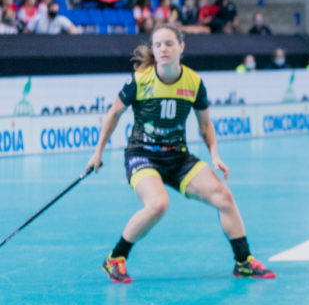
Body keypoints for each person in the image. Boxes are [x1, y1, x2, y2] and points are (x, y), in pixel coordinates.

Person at [86, 24, 275, 283]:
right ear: (153, 50)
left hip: (178, 157)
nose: (163, 49)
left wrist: (215, 155)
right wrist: (97, 153)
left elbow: (205, 125)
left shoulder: (194, 82)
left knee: (224, 197)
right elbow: (114, 113)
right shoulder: (140, 81)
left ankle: (243, 261)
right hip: (142, 155)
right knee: (158, 204)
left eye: (169, 43)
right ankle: (115, 258)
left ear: (181, 47)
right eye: (158, 45)